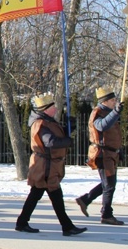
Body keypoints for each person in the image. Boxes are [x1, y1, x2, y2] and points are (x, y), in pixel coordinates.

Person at [15, 92, 87, 236]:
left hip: (48, 166)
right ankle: (66, 226)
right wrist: (68, 141)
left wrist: (69, 128)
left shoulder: (48, 121)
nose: (55, 108)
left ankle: (23, 223)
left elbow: (56, 136)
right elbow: (50, 142)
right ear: (46, 109)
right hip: (45, 167)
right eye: (52, 106)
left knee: (38, 195)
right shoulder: (40, 124)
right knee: (51, 196)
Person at [76, 86, 125, 225]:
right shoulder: (97, 113)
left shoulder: (108, 112)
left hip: (110, 153)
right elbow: (102, 126)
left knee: (108, 183)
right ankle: (106, 214)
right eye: (113, 100)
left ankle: (86, 200)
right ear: (106, 101)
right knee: (109, 184)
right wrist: (115, 112)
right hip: (102, 154)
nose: (115, 102)